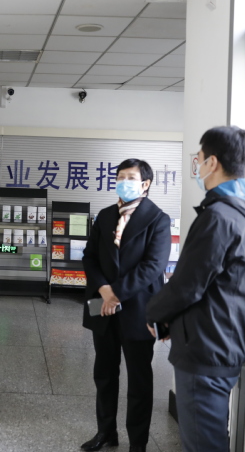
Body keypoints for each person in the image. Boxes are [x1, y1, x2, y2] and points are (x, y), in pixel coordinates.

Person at [146, 126, 245, 452]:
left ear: (212, 162)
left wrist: (153, 313)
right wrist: (175, 321)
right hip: (220, 343)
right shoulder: (243, 213)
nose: (197, 166)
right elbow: (216, 287)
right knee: (210, 438)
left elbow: (188, 284)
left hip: (206, 351)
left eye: (199, 159)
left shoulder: (219, 217)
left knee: (203, 444)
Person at [80, 159, 171, 452]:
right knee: (104, 374)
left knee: (139, 381)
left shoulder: (158, 219)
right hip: (102, 306)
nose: (123, 182)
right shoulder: (105, 216)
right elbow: (89, 257)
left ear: (145, 184)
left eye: (130, 177)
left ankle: (138, 443)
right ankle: (106, 432)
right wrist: (104, 291)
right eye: (120, 176)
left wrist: (116, 294)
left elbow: (153, 266)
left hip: (138, 309)